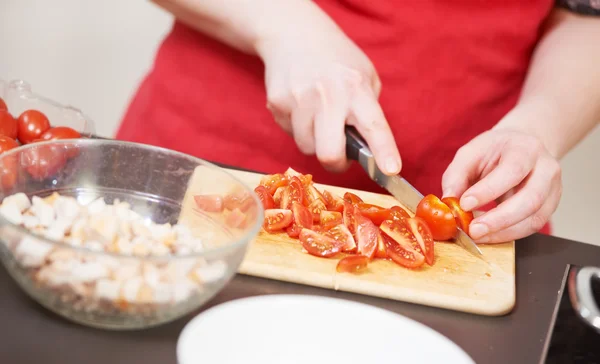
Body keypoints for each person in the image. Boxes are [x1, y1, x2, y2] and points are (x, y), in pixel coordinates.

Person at [116, 0, 600, 244]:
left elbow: (586, 14)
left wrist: (537, 126)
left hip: (473, 210)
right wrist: (286, 26)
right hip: (205, 177)